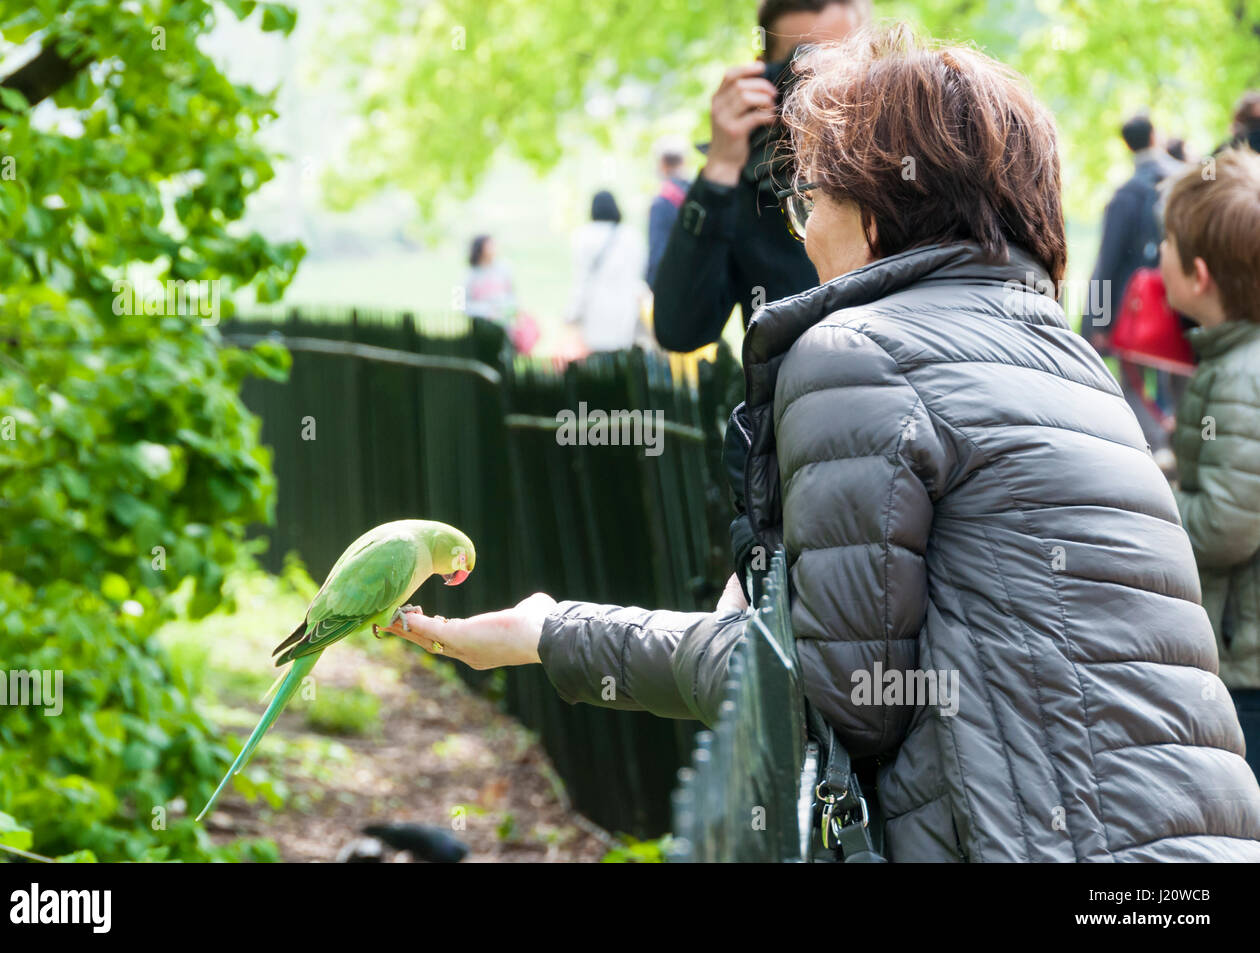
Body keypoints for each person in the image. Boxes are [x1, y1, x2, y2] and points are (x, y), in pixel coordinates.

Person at [398, 25, 1260, 862]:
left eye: (811, 197)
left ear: (880, 215)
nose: (803, 231)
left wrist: (554, 633)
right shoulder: (1071, 360)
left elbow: (832, 695)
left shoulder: (858, 353)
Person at [650, 0, 868, 353]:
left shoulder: (920, 164)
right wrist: (720, 168)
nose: (829, 87)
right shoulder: (747, 185)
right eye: (806, 63)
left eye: (847, 64)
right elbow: (679, 329)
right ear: (765, 75)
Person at [1161, 148, 1260, 779]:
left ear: (1198, 275)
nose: (1157, 254)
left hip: (1246, 656)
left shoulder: (1238, 378)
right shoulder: (1234, 363)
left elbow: (1227, 522)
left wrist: (1155, 506)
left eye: (1164, 243)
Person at [1082, 114, 1185, 460]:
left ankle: (1149, 449)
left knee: (1134, 382)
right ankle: (1178, 445)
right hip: (1185, 302)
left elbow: (1107, 262)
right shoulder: (1185, 182)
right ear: (1155, 136)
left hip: (1136, 307)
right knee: (1180, 376)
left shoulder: (1126, 195)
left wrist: (1095, 321)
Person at [567, 191, 647, 352]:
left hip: (595, 310)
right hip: (626, 309)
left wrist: (572, 313)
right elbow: (640, 271)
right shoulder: (632, 236)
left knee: (599, 363)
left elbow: (581, 280)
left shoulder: (582, 236)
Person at [645, 139, 690, 289]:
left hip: (671, 283)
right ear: (683, 162)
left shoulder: (662, 201)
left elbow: (657, 249)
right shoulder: (697, 193)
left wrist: (651, 283)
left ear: (662, 163)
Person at [462, 234, 516, 324]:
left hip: (505, 323)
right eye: (490, 246)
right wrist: (486, 312)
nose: (494, 248)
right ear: (480, 249)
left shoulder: (505, 268)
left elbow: (513, 295)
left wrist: (509, 310)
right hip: (480, 325)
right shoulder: (467, 274)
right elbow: (458, 305)